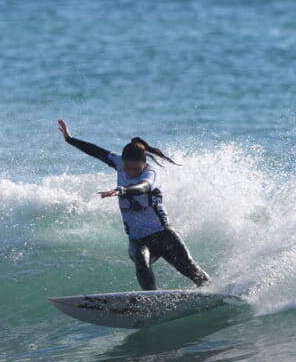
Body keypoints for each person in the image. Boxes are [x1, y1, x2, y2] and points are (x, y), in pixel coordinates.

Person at [58, 119, 210, 291]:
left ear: (144, 164)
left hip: (162, 233)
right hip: (138, 238)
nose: (130, 172)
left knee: (190, 268)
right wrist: (70, 139)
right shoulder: (119, 163)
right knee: (141, 260)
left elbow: (143, 188)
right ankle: (151, 299)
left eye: (136, 169)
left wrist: (122, 191)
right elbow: (96, 151)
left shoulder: (151, 173)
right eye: (127, 168)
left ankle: (213, 290)